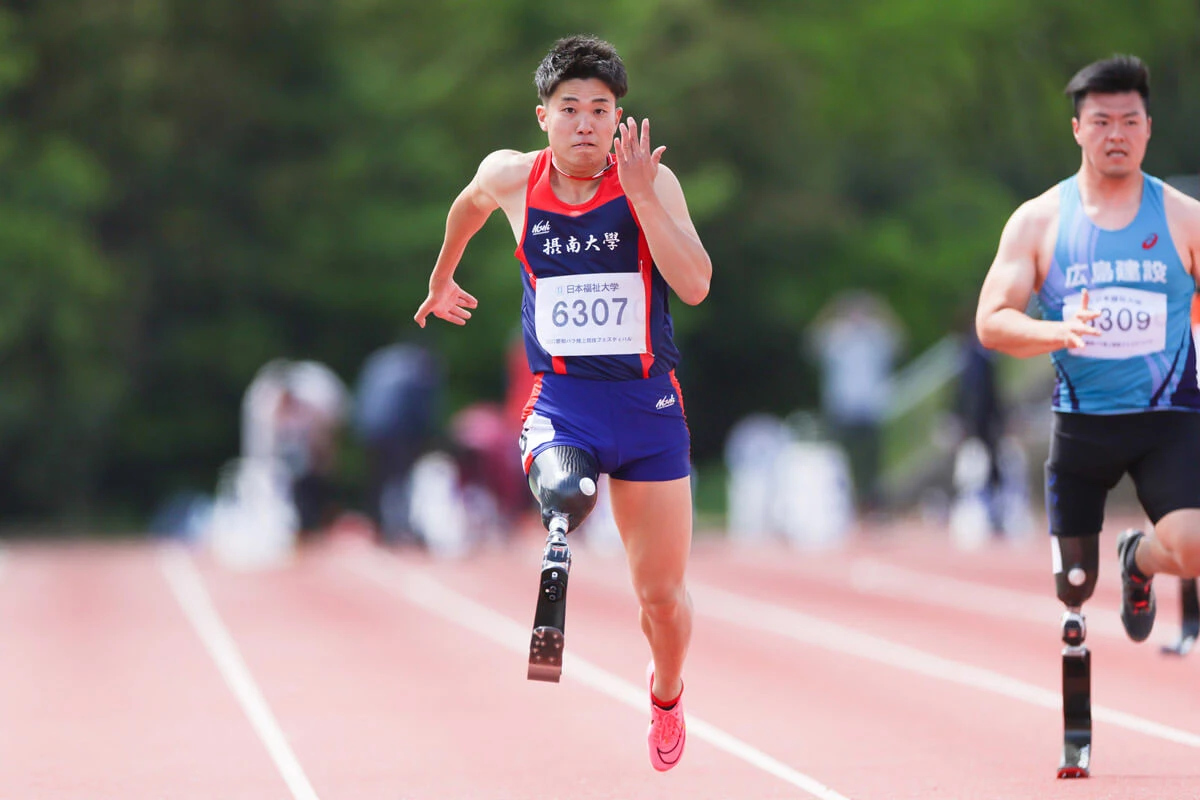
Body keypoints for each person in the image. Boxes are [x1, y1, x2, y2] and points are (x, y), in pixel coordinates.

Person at [413, 35, 711, 772]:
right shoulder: (512, 176)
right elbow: (468, 205)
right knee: (566, 488)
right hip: (562, 402)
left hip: (647, 408)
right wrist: (441, 277)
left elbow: (696, 283)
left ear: (618, 118)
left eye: (600, 109)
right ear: (543, 115)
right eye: (570, 107)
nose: (586, 122)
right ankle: (558, 520)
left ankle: (666, 692)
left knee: (662, 597)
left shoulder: (651, 181)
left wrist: (643, 197)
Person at [974, 55, 1200, 778]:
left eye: (1130, 120)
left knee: (1194, 547)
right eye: (1101, 121)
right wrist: (1057, 331)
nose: (1116, 134)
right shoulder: (1040, 221)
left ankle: (1143, 558)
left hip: (1168, 418)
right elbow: (991, 321)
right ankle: (1077, 723)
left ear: (1148, 128)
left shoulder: (1184, 217)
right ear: (1078, 129)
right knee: (1073, 588)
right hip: (1081, 426)